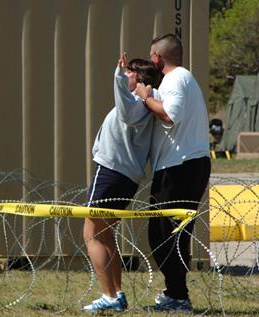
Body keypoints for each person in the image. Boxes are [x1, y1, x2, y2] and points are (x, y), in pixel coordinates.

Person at [135, 34, 211, 313]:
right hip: (184, 164)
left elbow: (170, 115)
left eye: (150, 56)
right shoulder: (181, 79)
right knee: (170, 233)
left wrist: (145, 98)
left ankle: (179, 297)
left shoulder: (177, 78)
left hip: (180, 167)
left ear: (157, 57)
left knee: (164, 234)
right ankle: (175, 293)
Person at [82, 54, 161, 313]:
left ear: (139, 81)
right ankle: (115, 293)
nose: (125, 74)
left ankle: (108, 295)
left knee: (91, 234)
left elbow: (126, 112)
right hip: (122, 176)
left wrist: (117, 77)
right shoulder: (144, 103)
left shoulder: (137, 104)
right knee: (105, 235)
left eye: (129, 72)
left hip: (112, 174)